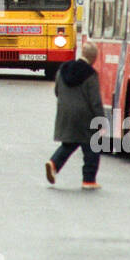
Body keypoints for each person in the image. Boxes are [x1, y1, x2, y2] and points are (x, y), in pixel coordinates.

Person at [45, 41, 105, 190]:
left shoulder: (63, 69)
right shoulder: (91, 74)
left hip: (65, 113)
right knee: (92, 146)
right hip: (85, 116)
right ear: (94, 58)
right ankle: (89, 180)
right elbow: (95, 101)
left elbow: (57, 91)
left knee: (69, 143)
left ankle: (53, 164)